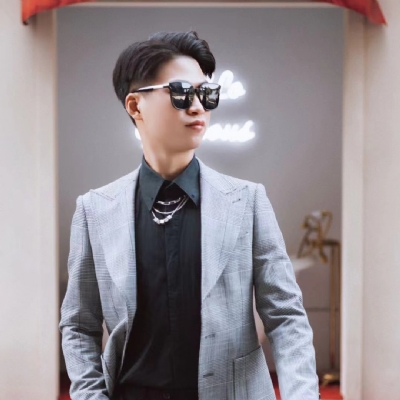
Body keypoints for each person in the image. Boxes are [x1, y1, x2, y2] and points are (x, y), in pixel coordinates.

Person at [59, 30, 320, 400]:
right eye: (181, 92)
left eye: (207, 94)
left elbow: (286, 317)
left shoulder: (247, 201)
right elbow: (78, 325)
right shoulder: (95, 211)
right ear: (135, 106)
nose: (198, 107)